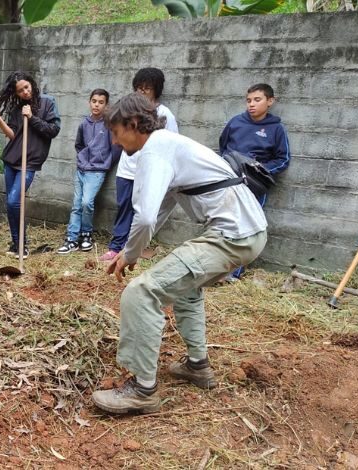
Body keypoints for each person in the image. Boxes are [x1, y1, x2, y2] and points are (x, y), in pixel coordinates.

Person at [91, 93, 267, 415]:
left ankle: (142, 390)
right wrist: (132, 250)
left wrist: (130, 255)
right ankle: (197, 366)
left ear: (132, 124)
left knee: (141, 292)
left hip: (232, 236)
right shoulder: (169, 144)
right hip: (249, 233)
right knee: (186, 289)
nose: (115, 142)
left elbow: (144, 217)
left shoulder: (154, 151)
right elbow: (162, 209)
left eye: (116, 132)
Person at [100, 68, 178, 262]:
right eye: (139, 88)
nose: (142, 92)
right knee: (125, 207)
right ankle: (117, 247)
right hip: (127, 171)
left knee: (144, 211)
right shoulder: (127, 112)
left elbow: (171, 146)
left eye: (147, 89)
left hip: (150, 173)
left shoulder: (164, 114)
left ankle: (133, 248)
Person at [0, 71, 61, 259]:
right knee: (11, 205)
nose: (25, 92)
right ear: (16, 93)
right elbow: (13, 136)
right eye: (20, 90)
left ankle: (21, 243)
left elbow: (53, 130)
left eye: (27, 87)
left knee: (13, 201)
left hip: (30, 161)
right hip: (12, 160)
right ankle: (18, 244)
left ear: (32, 83)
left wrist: (32, 117)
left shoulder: (48, 103)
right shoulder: (17, 109)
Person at [219, 83, 290, 281]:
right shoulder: (235, 123)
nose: (252, 104)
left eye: (257, 100)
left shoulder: (276, 129)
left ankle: (234, 273)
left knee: (247, 226)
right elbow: (223, 148)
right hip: (230, 182)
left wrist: (259, 171)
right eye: (249, 100)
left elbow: (283, 159)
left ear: (270, 101)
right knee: (224, 223)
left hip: (255, 186)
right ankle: (215, 268)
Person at [57, 89, 121, 254]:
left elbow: (116, 147)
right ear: (89, 102)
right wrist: (82, 159)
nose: (96, 105)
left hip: (97, 171)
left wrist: (105, 162)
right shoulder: (84, 124)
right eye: (94, 101)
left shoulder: (109, 125)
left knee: (87, 202)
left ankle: (86, 235)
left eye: (101, 102)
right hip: (81, 169)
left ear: (106, 105)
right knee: (76, 204)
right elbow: (79, 145)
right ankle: (71, 239)